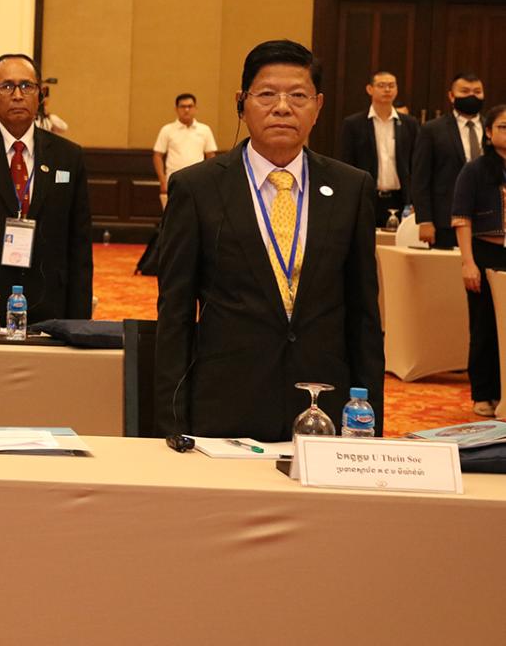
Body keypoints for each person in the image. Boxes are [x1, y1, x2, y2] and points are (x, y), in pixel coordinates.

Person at [155, 39, 384, 442]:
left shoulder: (351, 188)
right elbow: (175, 315)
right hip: (226, 404)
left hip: (325, 407)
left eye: (298, 95)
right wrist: (172, 426)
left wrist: (370, 424)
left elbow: (364, 314)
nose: (282, 107)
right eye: (266, 94)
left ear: (318, 106)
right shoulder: (197, 188)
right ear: (241, 103)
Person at [0, 53, 93, 325]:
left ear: (40, 94)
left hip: (48, 303)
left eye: (26, 86)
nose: (17, 95)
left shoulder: (68, 156)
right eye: (7, 86)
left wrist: (80, 321)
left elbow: (79, 243)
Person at [452, 103, 506, 418]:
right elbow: (462, 219)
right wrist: (468, 262)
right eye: (503, 127)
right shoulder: (475, 170)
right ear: (488, 132)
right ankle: (484, 393)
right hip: (485, 253)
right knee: (484, 326)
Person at [412, 72, 487, 249]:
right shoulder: (432, 129)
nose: (472, 96)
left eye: (477, 92)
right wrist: (425, 220)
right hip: (445, 220)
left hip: (486, 221)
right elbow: (420, 178)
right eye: (465, 91)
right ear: (451, 96)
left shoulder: (493, 128)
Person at [339, 70, 421, 228]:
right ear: (370, 89)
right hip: (366, 197)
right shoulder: (354, 124)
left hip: (400, 199)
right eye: (381, 85)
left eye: (391, 85)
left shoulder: (409, 124)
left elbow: (416, 164)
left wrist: (415, 200)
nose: (387, 90)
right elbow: (347, 163)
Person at [153, 93, 217, 207]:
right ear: (176, 109)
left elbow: (211, 156)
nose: (186, 110)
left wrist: (209, 180)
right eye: (182, 106)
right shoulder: (167, 130)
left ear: (195, 108)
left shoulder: (205, 130)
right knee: (173, 215)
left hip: (198, 181)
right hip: (174, 181)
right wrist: (162, 181)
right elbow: (157, 155)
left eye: (190, 106)